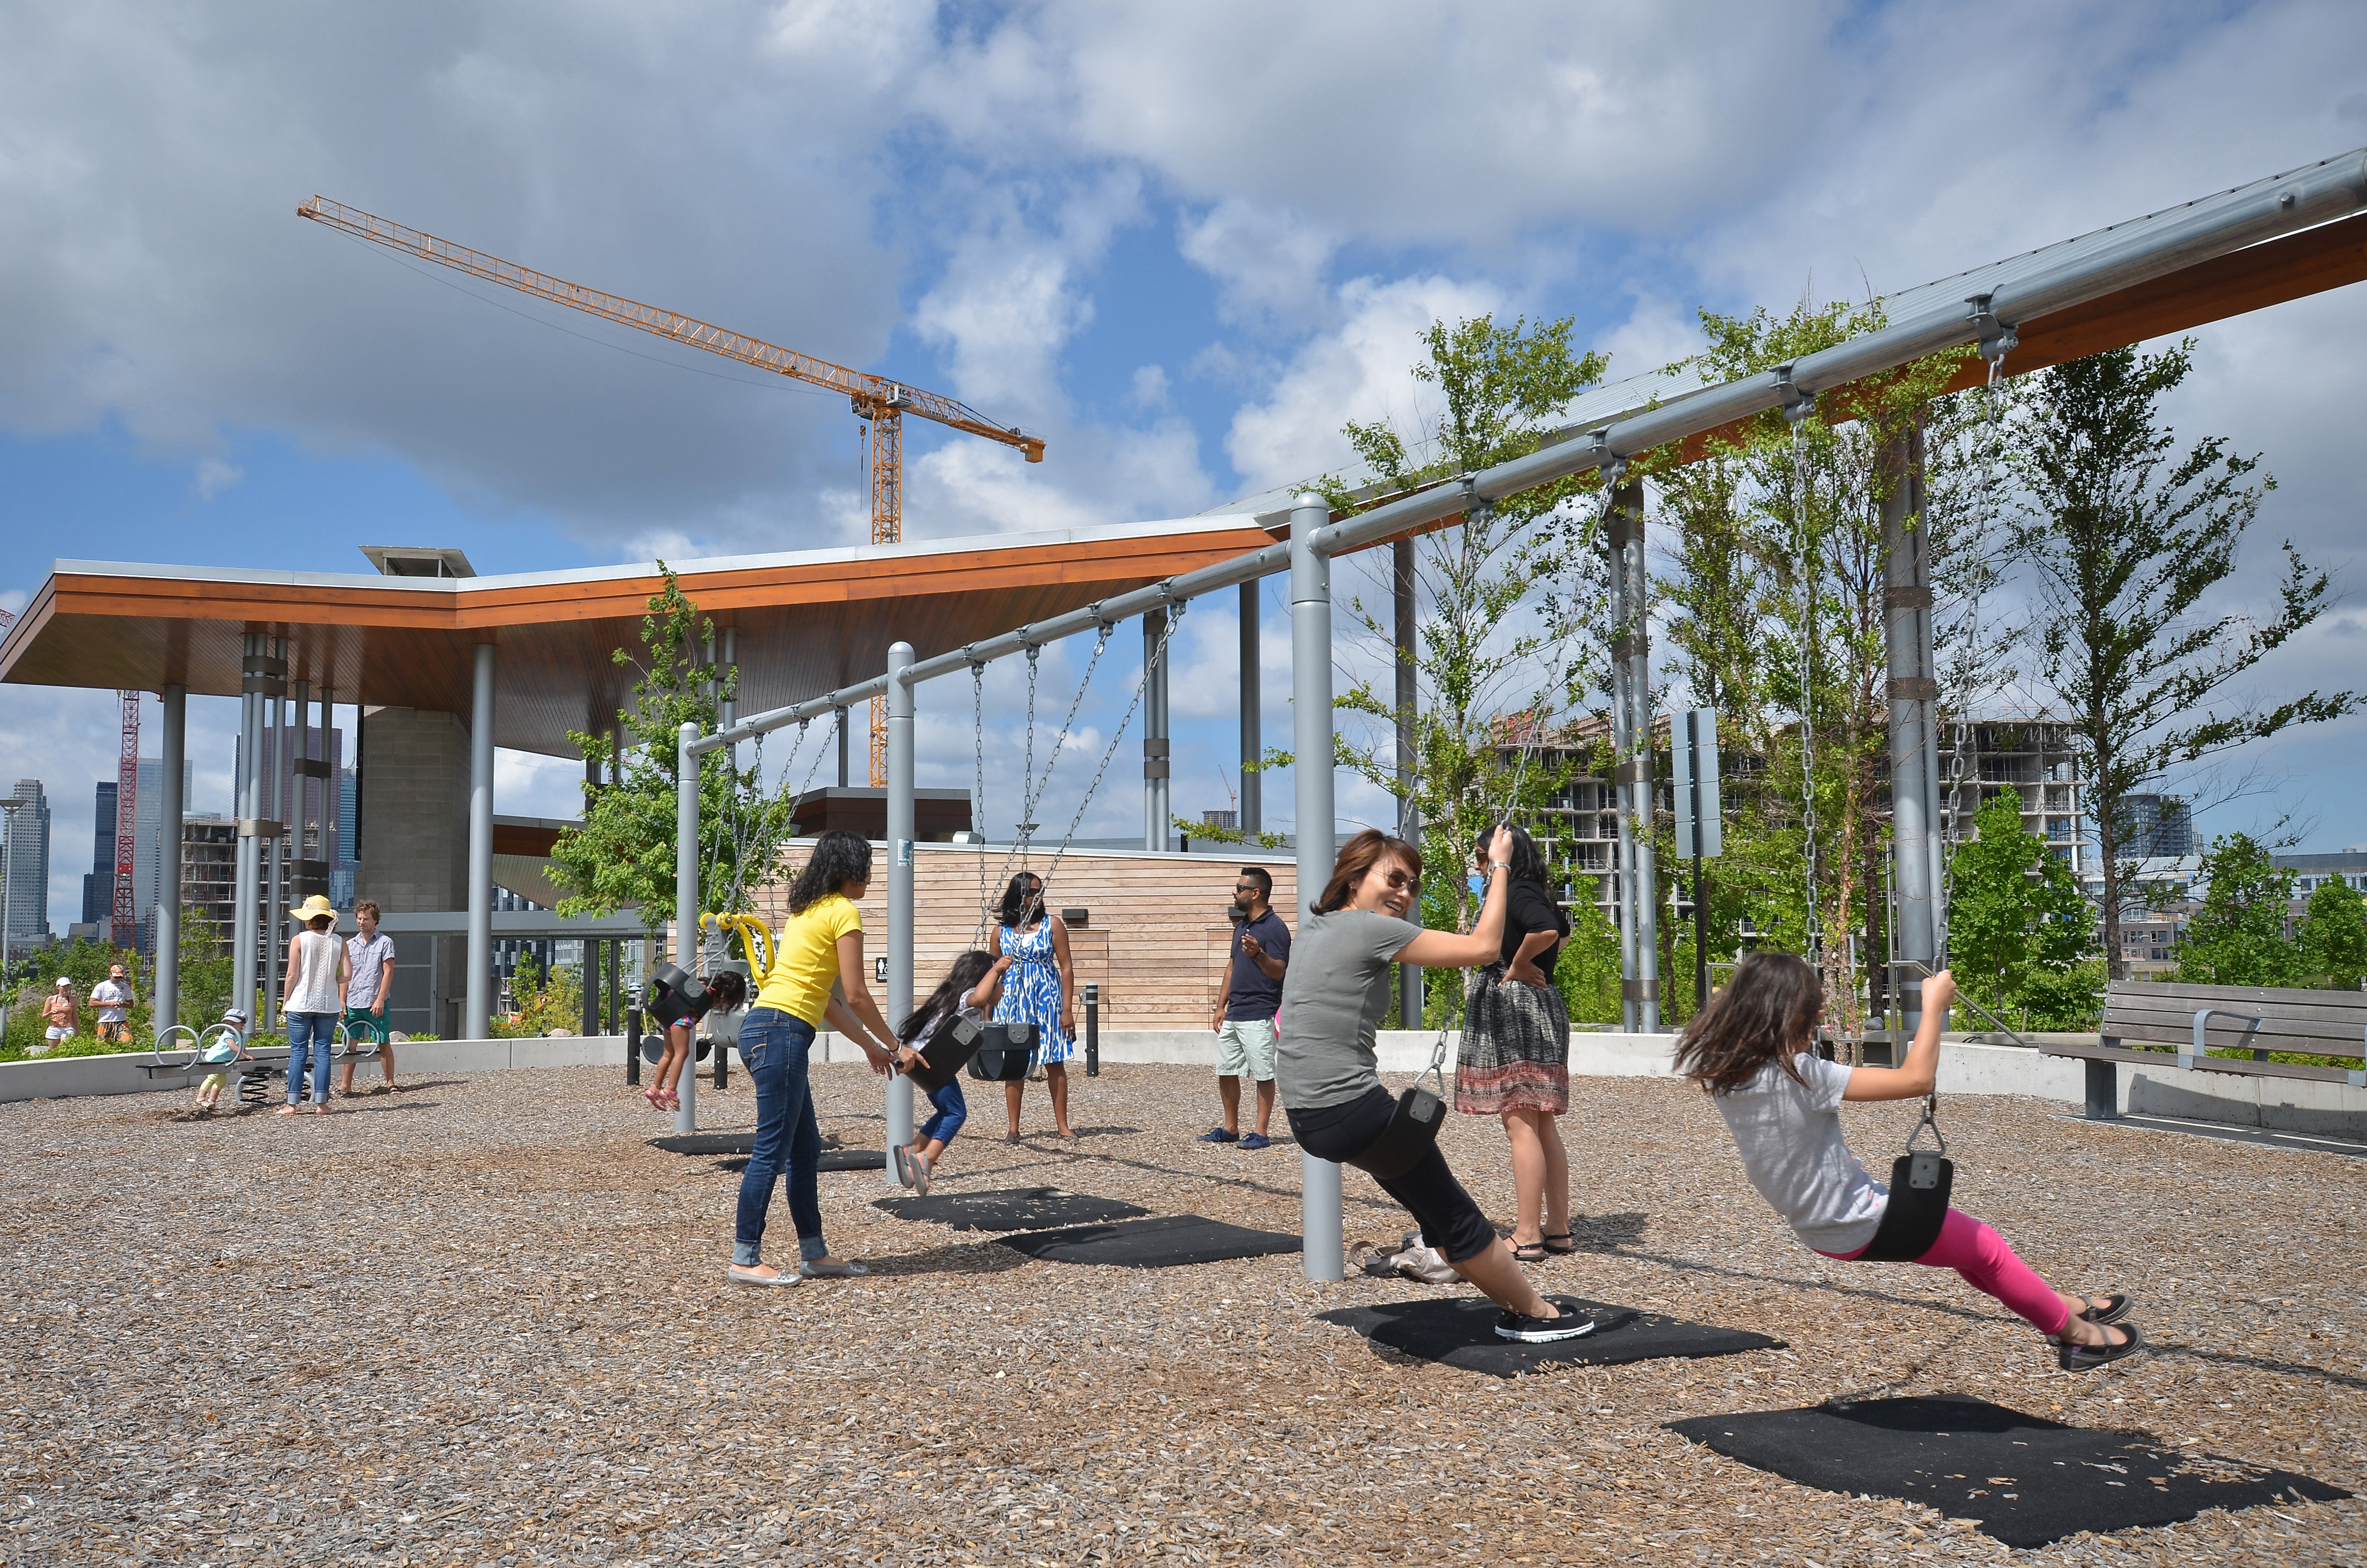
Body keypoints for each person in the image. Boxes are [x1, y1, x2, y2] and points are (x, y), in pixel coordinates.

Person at [1677, 953, 2140, 1371]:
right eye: (1813, 1001)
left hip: (1820, 1225)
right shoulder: (1802, 1076)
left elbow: (1735, 1005)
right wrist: (1934, 1006)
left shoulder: (1731, 1074)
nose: (1821, 1009)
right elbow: (1916, 1079)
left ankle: (2058, 1304)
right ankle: (2077, 1337)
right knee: (1988, 1248)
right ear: (1783, 1011)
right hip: (1857, 1221)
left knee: (1972, 1255)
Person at [1278, 826, 1593, 1343]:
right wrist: (1500, 865)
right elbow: (1485, 946)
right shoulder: (1367, 929)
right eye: (1393, 878)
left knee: (1435, 1215)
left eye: (1412, 885)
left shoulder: (1317, 927)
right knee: (1458, 1217)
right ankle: (1539, 1313)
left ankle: (1508, 1298)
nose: (1404, 893)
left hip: (1310, 1116)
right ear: (1354, 876)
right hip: (1350, 1108)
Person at [731, 829, 898, 1287]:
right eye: (865, 866)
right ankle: (745, 1258)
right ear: (849, 869)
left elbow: (826, 1000)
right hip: (781, 1033)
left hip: (766, 1027)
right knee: (771, 1149)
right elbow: (859, 995)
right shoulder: (844, 912)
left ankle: (814, 1254)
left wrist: (869, 1046)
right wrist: (895, 1045)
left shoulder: (808, 912)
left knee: (805, 1149)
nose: (869, 876)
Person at [1454, 825, 1574, 1260]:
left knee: (1520, 1123)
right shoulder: (1535, 888)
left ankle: (1527, 1234)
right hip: (1542, 1007)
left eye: (1481, 858)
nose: (1476, 866)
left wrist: (1519, 963)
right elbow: (1561, 932)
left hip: (1520, 1011)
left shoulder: (1518, 890)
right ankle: (1557, 1229)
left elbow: (1545, 930)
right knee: (1541, 1124)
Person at [892, 949, 1012, 1195]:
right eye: (1001, 984)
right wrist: (996, 970)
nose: (1003, 990)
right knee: (957, 1113)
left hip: (922, 1062)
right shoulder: (967, 1000)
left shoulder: (950, 999)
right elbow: (979, 998)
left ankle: (911, 1150)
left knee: (946, 1110)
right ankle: (927, 1159)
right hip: (932, 1061)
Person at [1202, 866, 1289, 1150]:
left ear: (1255, 893)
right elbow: (1232, 966)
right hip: (1235, 1012)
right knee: (1226, 1070)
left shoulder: (1276, 928)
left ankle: (1261, 1132)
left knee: (1263, 1074)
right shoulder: (1241, 926)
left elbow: (1278, 971)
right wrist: (1220, 1006)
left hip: (1260, 1012)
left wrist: (1259, 954)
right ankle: (1231, 1128)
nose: (1234, 892)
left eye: (1239, 888)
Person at [993, 871, 1079, 1141]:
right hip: (1013, 1000)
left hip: (1048, 998)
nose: (1037, 896)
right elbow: (992, 971)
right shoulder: (1001, 931)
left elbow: (1066, 967)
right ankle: (1013, 1128)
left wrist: (1067, 1010)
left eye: (1040, 890)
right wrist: (988, 1006)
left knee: (1054, 1061)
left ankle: (1063, 1126)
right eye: (1031, 892)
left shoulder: (1053, 925)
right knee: (1014, 1063)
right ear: (1019, 895)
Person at [276, 894, 351, 1117]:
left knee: (298, 1051)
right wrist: (331, 982)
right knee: (323, 1052)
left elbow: (292, 975)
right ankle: (322, 1103)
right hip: (329, 1004)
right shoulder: (340, 942)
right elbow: (347, 974)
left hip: (300, 1002)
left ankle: (292, 1104)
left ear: (309, 919)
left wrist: (285, 1000)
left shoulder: (300, 940)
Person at [644, 968, 749, 1111]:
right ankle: (671, 1090)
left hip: (668, 1018)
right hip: (680, 1021)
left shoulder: (704, 985)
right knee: (682, 1053)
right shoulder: (709, 990)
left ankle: (655, 1088)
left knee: (668, 1054)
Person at [338, 900, 398, 1096]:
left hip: (375, 1002)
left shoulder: (385, 942)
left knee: (383, 1041)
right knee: (350, 1043)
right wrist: (342, 1000)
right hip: (354, 1001)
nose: (362, 922)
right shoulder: (349, 944)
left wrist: (380, 999)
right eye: (359, 918)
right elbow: (346, 974)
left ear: (375, 920)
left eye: (366, 919)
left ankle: (390, 1083)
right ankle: (345, 1086)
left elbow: (388, 973)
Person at [89, 963, 135, 1045]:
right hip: (106, 1020)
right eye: (116, 977)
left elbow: (131, 1005)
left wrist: (123, 1004)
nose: (118, 979)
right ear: (110, 974)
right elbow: (92, 1003)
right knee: (102, 1045)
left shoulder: (126, 987)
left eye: (120, 977)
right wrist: (109, 1004)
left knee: (128, 1043)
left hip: (121, 1020)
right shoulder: (101, 986)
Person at [39, 978, 78, 1055]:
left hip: (68, 1027)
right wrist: (51, 1013)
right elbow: (44, 1016)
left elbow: (75, 1016)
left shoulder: (73, 1000)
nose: (66, 988)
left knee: (66, 1050)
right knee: (53, 1052)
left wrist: (77, 1031)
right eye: (64, 986)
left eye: (68, 986)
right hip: (54, 1028)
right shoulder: (51, 999)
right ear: (58, 987)